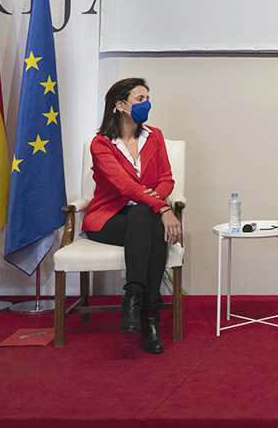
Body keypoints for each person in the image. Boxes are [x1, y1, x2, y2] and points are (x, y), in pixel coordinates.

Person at [82, 78, 181, 355]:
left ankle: (135, 299)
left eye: (147, 98)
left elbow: (167, 179)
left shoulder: (155, 136)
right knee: (147, 217)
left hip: (143, 214)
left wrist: (153, 202)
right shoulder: (101, 144)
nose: (146, 104)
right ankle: (150, 316)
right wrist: (162, 207)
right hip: (108, 217)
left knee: (143, 215)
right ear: (120, 105)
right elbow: (124, 187)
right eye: (140, 99)